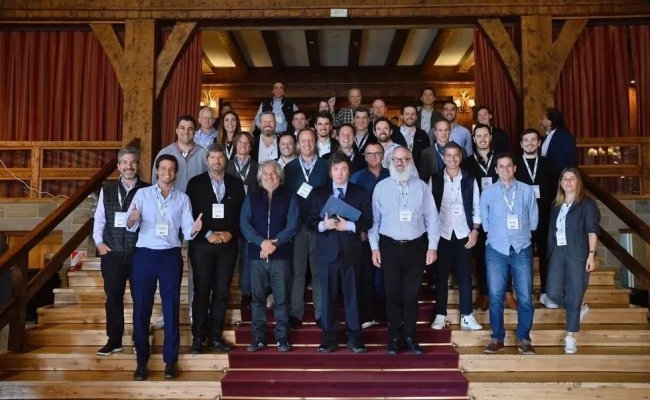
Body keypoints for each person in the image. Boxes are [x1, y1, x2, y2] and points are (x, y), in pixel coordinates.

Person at [127, 154, 203, 380]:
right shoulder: (142, 194)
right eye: (163, 168)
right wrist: (133, 218)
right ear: (156, 171)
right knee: (141, 308)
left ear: (175, 173)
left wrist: (195, 228)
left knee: (171, 308)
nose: (167, 172)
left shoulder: (182, 199)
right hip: (144, 255)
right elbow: (130, 225)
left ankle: (170, 361)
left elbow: (187, 229)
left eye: (171, 169)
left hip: (170, 255)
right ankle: (141, 362)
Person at [369, 146, 440, 355]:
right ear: (390, 162)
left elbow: (432, 219)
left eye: (405, 159)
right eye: (396, 159)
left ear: (411, 161)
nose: (400, 163)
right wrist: (374, 248)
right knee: (392, 294)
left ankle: (410, 337)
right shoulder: (381, 187)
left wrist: (433, 247)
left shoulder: (422, 187)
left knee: (411, 294)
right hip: (389, 247)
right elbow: (374, 221)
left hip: (416, 247)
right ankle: (393, 338)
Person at [307, 152, 372, 353]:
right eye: (336, 169)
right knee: (328, 297)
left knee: (353, 296)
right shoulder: (318, 193)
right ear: (330, 172)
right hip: (326, 254)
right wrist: (323, 225)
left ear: (349, 171)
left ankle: (355, 337)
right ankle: (329, 338)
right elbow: (309, 220)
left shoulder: (360, 192)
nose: (340, 173)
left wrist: (349, 226)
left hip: (352, 253)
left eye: (344, 169)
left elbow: (368, 220)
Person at [185, 143, 246, 354]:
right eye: (212, 157)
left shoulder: (235, 184)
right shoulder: (195, 183)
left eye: (220, 158)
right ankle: (198, 338)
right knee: (202, 291)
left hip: (228, 245)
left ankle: (215, 336)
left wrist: (231, 233)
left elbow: (243, 214)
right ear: (206, 160)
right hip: (202, 245)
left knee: (221, 292)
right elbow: (189, 214)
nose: (216, 161)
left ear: (225, 160)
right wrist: (208, 233)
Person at [92, 147, 150, 356]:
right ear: (118, 166)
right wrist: (99, 243)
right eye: (124, 162)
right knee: (113, 298)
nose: (129, 166)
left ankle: (139, 339)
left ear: (138, 165)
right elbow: (99, 219)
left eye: (133, 162)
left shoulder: (147, 190)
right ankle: (114, 340)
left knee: (140, 298)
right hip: (112, 253)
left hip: (139, 254)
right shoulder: (107, 189)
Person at [479, 153, 538, 356]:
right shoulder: (488, 193)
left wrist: (520, 233)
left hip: (522, 247)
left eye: (509, 166)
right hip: (496, 249)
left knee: (525, 296)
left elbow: (534, 219)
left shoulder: (526, 190)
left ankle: (524, 338)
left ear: (515, 168)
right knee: (495, 296)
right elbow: (485, 222)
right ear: (496, 170)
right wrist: (498, 234)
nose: (505, 169)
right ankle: (497, 338)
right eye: (501, 166)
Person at [240, 160, 300, 352]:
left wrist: (273, 244)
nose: (269, 176)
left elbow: (293, 225)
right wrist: (261, 243)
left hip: (280, 256)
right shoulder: (252, 197)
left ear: (279, 175)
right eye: (265, 173)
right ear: (260, 177)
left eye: (273, 172)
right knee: (257, 299)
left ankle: (282, 338)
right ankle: (258, 338)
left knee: (282, 299)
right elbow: (244, 224)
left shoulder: (290, 196)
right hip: (256, 256)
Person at [430, 142, 483, 331]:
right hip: (442, 235)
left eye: (456, 155)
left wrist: (475, 230)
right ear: (443, 157)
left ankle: (467, 315)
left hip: (464, 234)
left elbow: (477, 207)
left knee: (464, 277)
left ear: (461, 157)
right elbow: (428, 209)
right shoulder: (434, 179)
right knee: (441, 277)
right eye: (449, 155)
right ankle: (440, 315)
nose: (452, 159)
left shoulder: (470, 179)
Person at [545, 168, 599, 354]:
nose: (568, 182)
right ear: (560, 183)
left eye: (572, 178)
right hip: (558, 252)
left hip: (578, 253)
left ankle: (570, 337)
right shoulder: (556, 205)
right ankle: (578, 308)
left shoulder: (587, 204)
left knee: (575, 292)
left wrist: (591, 255)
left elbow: (592, 231)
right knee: (552, 292)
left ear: (578, 182)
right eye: (565, 178)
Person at [284, 128, 329, 328]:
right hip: (298, 227)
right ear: (297, 143)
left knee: (318, 271)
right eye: (303, 141)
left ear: (316, 142)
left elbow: (330, 193)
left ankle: (320, 313)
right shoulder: (290, 168)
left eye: (311, 140)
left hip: (319, 225)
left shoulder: (325, 166)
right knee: (298, 270)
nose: (307, 144)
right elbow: (286, 197)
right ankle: (296, 312)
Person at [350, 143, 390, 328]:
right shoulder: (357, 178)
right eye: (369, 154)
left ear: (383, 155)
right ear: (364, 156)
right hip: (364, 235)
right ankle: (368, 315)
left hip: (388, 234)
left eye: (377, 153)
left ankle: (386, 315)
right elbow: (351, 206)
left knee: (386, 277)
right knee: (366, 277)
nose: (373, 157)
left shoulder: (391, 175)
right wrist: (360, 230)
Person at [515, 128, 554, 308]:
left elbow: (555, 192)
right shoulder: (515, 164)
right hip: (522, 220)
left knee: (546, 256)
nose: (530, 143)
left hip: (545, 217)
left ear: (539, 143)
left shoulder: (548, 164)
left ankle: (547, 292)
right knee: (524, 258)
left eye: (533, 140)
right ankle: (526, 292)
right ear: (521, 144)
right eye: (526, 140)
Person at [226, 132, 259, 308]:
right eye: (240, 143)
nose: (243, 146)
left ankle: (246, 292)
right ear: (235, 145)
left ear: (251, 147)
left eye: (247, 143)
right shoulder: (227, 166)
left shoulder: (257, 168)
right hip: (230, 216)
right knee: (229, 255)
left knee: (247, 256)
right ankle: (226, 291)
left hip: (251, 217)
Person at [540, 107, 578, 185]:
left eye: (543, 119)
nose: (540, 121)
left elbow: (571, 159)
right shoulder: (546, 136)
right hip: (548, 180)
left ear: (550, 121)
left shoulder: (564, 136)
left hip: (560, 180)